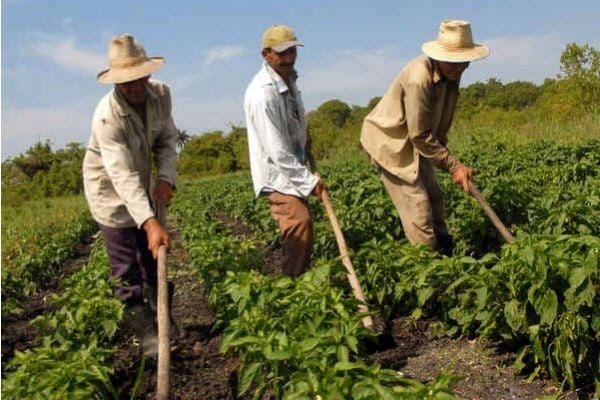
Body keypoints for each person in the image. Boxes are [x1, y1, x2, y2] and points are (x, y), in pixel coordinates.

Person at [83, 33, 178, 356]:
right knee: (126, 269)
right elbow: (121, 175)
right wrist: (150, 222)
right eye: (127, 83)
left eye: (139, 79)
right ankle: (151, 344)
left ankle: (165, 323)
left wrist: (166, 178)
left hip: (142, 183)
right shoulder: (107, 116)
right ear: (116, 83)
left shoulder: (161, 95)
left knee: (153, 259)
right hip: (109, 192)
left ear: (148, 73)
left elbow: (167, 139)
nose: (136, 87)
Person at [360, 20, 490, 255]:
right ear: (440, 56)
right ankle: (428, 270)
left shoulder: (453, 71)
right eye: (454, 62)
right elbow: (419, 134)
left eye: (463, 62)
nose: (459, 68)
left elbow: (435, 124)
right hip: (391, 144)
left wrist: (448, 160)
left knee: (435, 200)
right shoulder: (419, 77)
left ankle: (446, 255)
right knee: (418, 208)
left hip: (417, 142)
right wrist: (454, 166)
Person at [244, 25, 326, 277]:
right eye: (282, 53)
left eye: (292, 50)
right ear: (265, 54)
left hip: (295, 166)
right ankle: (293, 290)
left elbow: (294, 119)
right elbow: (277, 151)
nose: (289, 57)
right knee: (299, 223)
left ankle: (300, 277)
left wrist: (305, 137)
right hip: (278, 175)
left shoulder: (289, 78)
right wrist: (309, 182)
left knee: (302, 228)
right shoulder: (262, 95)